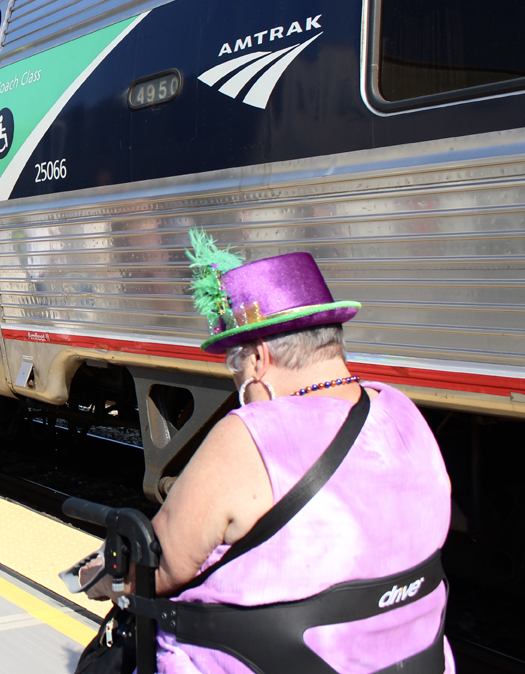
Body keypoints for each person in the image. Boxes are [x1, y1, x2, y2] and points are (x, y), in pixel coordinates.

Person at [78, 230, 452, 672]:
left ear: (257, 360)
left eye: (234, 367)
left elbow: (157, 567)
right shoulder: (402, 412)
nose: (237, 383)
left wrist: (95, 576)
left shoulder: (249, 436)